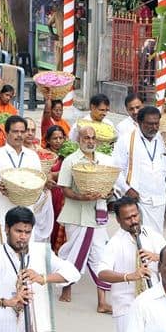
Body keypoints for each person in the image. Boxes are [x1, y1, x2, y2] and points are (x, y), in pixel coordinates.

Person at [97, 197, 166, 332]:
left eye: (135, 215)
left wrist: (157, 257)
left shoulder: (151, 235)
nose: (133, 221)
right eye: (127, 218)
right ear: (118, 221)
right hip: (127, 307)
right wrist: (129, 276)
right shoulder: (116, 242)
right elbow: (102, 272)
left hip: (152, 302)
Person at [57, 126, 115, 311]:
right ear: (79, 140)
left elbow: (109, 188)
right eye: (86, 137)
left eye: (93, 138)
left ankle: (102, 301)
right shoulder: (70, 161)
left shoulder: (103, 160)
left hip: (97, 216)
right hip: (76, 215)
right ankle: (66, 287)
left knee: (100, 256)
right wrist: (82, 197)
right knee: (74, 253)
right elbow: (64, 189)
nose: (90, 141)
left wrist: (108, 192)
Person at [0, 116, 52, 250]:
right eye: (15, 131)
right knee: (2, 255)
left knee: (26, 254)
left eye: (22, 131)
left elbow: (38, 182)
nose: (19, 135)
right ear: (6, 133)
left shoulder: (32, 156)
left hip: (26, 213)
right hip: (2, 213)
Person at [113, 106, 166, 235]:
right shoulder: (126, 140)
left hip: (158, 199)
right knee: (135, 237)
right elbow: (115, 169)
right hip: (136, 199)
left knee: (155, 237)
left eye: (157, 123)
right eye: (150, 124)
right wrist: (127, 189)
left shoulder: (165, 140)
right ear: (139, 123)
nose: (154, 127)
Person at [44, 126, 67, 253]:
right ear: (48, 140)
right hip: (49, 194)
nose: (58, 141)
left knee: (60, 224)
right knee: (49, 223)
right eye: (54, 138)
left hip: (63, 195)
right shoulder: (44, 155)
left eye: (60, 138)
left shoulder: (67, 154)